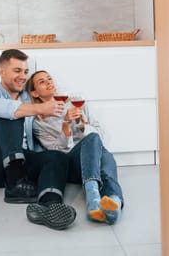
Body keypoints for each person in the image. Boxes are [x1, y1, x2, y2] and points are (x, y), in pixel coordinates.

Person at [0, 49, 76, 230]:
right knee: (11, 113)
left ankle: (50, 204)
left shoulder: (27, 97)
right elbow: (12, 109)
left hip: (21, 160)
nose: (22, 76)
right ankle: (15, 183)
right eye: (17, 71)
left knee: (56, 157)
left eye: (25, 72)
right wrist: (40, 108)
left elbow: (45, 107)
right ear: (2, 71)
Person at [26, 70, 124, 225]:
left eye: (49, 78)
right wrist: (65, 126)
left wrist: (84, 124)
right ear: (34, 93)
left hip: (93, 159)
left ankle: (113, 205)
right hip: (72, 165)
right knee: (104, 156)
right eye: (42, 81)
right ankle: (93, 199)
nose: (49, 82)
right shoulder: (39, 122)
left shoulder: (77, 103)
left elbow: (100, 137)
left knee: (104, 155)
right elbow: (57, 154)